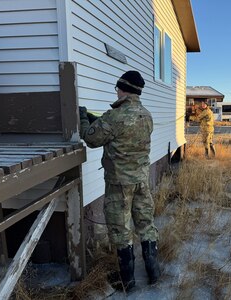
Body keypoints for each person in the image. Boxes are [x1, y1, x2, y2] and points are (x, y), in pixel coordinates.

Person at [79, 70, 160, 292]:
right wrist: (101, 121)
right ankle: (154, 273)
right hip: (141, 180)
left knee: (120, 229)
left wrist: (83, 117)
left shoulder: (114, 117)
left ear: (123, 89)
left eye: (117, 89)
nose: (116, 93)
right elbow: (125, 131)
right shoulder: (146, 114)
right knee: (145, 224)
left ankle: (128, 282)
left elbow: (92, 138)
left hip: (119, 184)